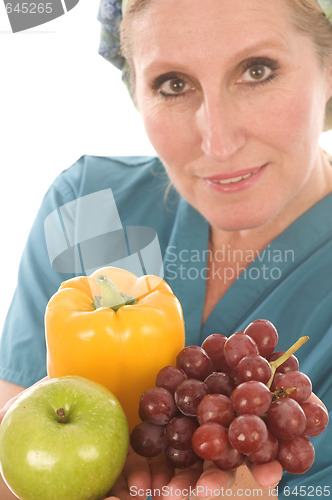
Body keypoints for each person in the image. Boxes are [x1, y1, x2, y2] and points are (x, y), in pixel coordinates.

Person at [1, 0, 332, 498]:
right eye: (173, 85)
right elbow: (14, 454)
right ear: (135, 89)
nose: (218, 142)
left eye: (258, 70)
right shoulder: (89, 207)